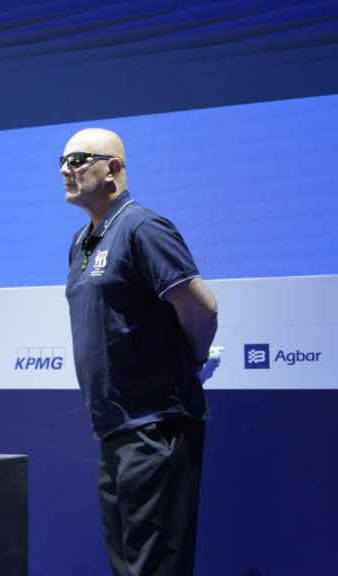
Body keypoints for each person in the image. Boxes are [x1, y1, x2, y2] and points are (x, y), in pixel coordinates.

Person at [61, 128, 218, 576]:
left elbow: (201, 307)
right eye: (62, 161)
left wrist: (192, 361)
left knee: (154, 567)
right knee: (127, 565)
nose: (65, 170)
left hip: (157, 426)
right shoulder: (82, 242)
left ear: (113, 169)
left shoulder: (142, 227)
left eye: (78, 160)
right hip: (115, 431)